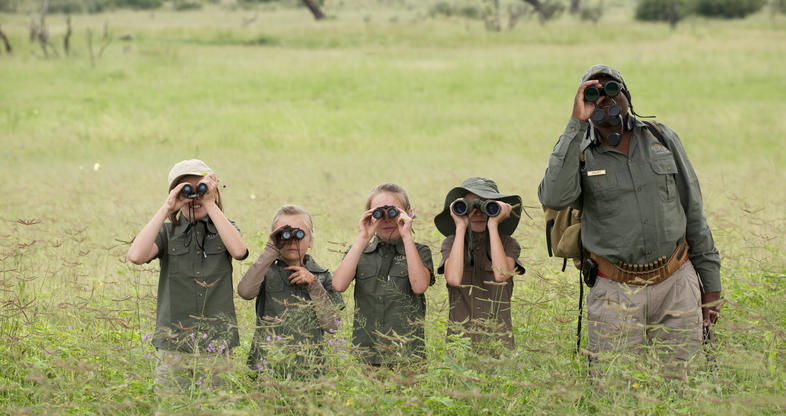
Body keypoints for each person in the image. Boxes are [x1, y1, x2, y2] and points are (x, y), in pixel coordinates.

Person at [537, 65, 721, 365]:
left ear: (628, 95)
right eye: (593, 93)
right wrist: (575, 124)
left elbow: (694, 212)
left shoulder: (661, 137)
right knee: (614, 386)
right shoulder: (578, 150)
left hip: (676, 283)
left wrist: (711, 286)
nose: (604, 98)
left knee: (682, 383)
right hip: (614, 290)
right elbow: (553, 197)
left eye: (612, 89)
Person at [127, 159, 248, 390]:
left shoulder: (225, 229)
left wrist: (210, 202)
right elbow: (136, 256)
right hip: (173, 345)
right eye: (186, 190)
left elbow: (239, 251)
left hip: (216, 344)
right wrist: (167, 208)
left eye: (201, 188)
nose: (194, 197)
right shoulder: (167, 233)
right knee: (170, 404)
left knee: (217, 405)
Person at [332, 183, 434, 366]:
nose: (386, 219)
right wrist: (363, 237)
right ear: (369, 216)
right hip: (367, 352)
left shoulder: (420, 252)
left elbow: (419, 286)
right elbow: (339, 285)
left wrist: (407, 236)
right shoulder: (359, 252)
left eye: (393, 212)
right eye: (379, 213)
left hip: (408, 353)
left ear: (408, 214)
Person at [238, 205, 344, 378]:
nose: (292, 240)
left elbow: (332, 326)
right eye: (284, 234)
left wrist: (314, 285)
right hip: (268, 365)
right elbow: (245, 291)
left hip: (309, 367)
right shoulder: (265, 272)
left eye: (300, 234)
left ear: (311, 241)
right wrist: (271, 249)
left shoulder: (321, 276)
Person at [434, 177, 525, 352]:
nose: (478, 213)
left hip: (499, 345)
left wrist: (493, 225)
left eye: (486, 207)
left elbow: (501, 275)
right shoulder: (452, 243)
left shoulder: (508, 244)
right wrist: (460, 227)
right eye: (470, 207)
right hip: (460, 345)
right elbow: (453, 278)